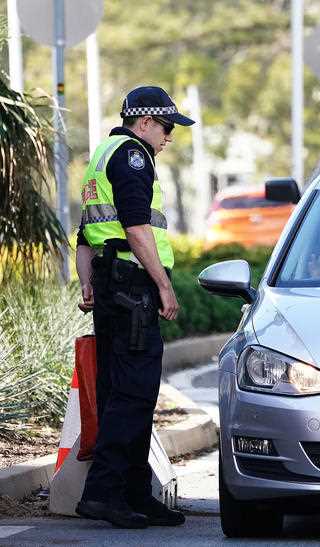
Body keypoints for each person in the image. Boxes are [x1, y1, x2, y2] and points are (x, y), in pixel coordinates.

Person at [73, 86, 194, 529]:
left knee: (120, 392)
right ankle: (104, 493)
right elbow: (137, 228)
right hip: (132, 288)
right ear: (145, 122)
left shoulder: (102, 154)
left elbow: (85, 236)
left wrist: (88, 284)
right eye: (167, 128)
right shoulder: (133, 157)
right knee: (134, 394)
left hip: (110, 286)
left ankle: (135, 494)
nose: (169, 138)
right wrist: (164, 286)